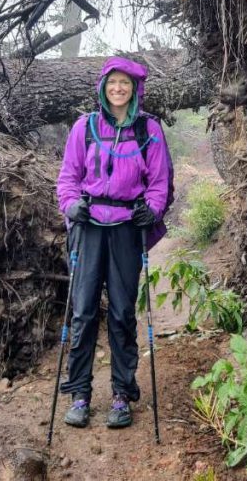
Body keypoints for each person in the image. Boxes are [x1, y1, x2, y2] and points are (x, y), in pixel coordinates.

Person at [56, 56, 171, 429]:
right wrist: (72, 206)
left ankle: (122, 394)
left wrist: (151, 212)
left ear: (134, 88)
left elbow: (159, 183)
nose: (118, 89)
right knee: (84, 311)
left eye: (124, 83)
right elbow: (68, 177)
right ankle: (80, 393)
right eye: (112, 83)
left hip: (126, 228)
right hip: (89, 226)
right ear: (103, 87)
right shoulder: (84, 127)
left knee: (122, 311)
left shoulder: (149, 129)